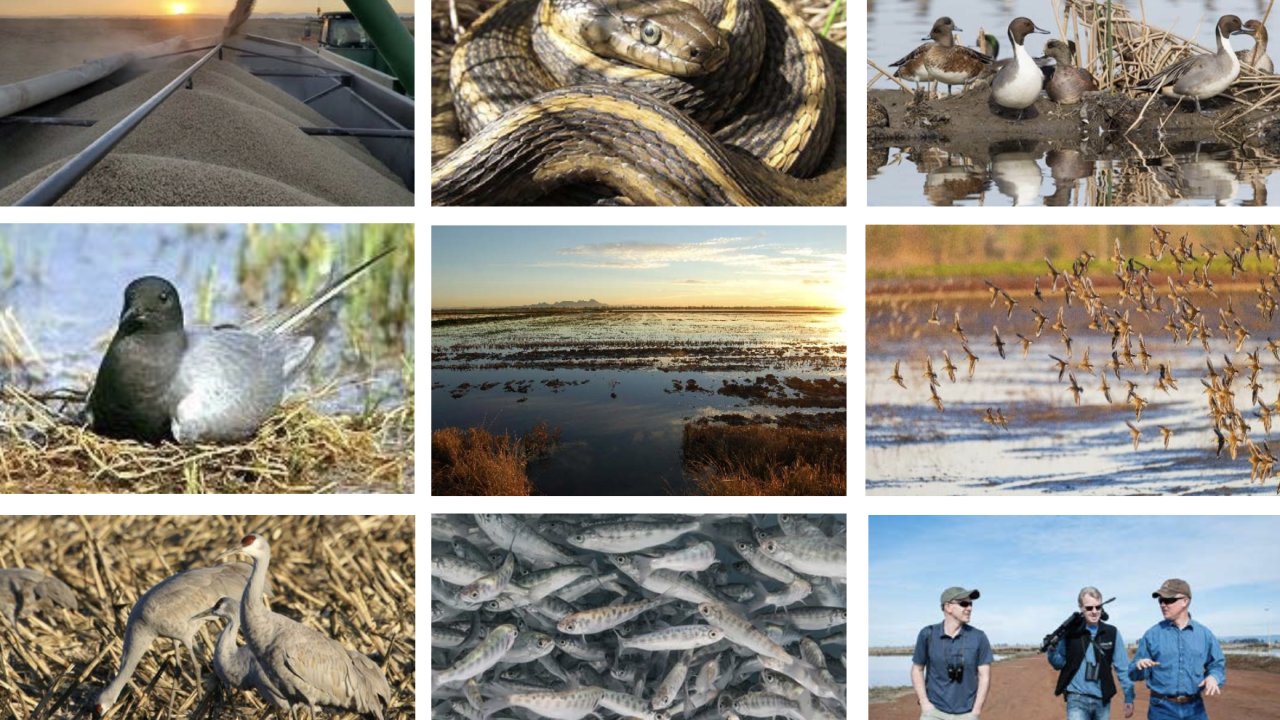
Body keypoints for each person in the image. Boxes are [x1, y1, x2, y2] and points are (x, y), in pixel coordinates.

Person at [1129, 579, 1226, 720]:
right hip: (1161, 708)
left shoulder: (1205, 635)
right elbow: (1133, 673)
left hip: (1195, 709)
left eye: (1168, 600)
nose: (1163, 604)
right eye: (1160, 600)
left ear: (1185, 601)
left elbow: (1217, 665)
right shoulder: (1152, 635)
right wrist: (1138, 666)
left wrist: (1213, 677)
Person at [1047, 586, 1135, 720]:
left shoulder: (1111, 633)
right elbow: (1058, 664)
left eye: (1098, 607)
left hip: (1103, 700)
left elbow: (1123, 668)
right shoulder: (1070, 632)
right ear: (1081, 607)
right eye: (1089, 608)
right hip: (1076, 698)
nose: (1094, 612)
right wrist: (1052, 650)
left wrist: (1129, 696)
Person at [911, 587, 994, 720]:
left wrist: (975, 712)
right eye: (964, 604)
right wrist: (925, 703)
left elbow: (984, 676)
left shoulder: (979, 637)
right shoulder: (928, 634)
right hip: (934, 712)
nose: (969, 608)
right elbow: (917, 669)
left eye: (970, 604)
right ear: (948, 607)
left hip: (967, 714)